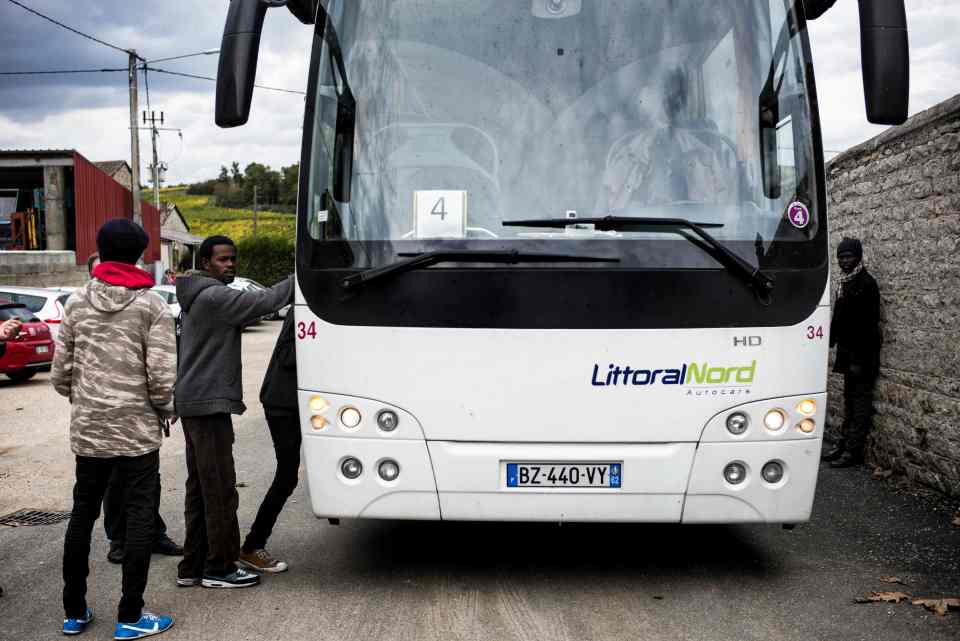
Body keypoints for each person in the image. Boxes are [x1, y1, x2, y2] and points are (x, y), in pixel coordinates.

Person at [52, 219, 176, 638]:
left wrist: (86, 399)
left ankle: (74, 612)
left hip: (89, 431)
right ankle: (130, 616)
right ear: (139, 254)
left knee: (82, 514)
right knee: (139, 515)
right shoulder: (152, 305)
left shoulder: (75, 303)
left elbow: (59, 374)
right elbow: (161, 377)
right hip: (137, 432)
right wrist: (164, 408)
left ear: (100, 250)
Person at [174, 236, 293, 589]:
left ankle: (192, 566)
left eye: (233, 259)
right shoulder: (214, 296)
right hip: (208, 405)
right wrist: (302, 273)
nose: (230, 265)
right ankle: (220, 567)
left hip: (197, 402)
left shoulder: (198, 294)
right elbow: (266, 301)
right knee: (221, 489)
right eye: (223, 260)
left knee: (200, 488)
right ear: (206, 262)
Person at [85, 253, 184, 565]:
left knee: (147, 479)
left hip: (143, 411)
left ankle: (153, 533)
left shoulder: (142, 307)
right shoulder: (88, 312)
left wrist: (166, 402)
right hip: (107, 416)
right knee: (114, 482)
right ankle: (119, 539)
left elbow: (161, 357)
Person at [238, 310, 300, 573]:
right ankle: (252, 546)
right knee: (287, 476)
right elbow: (288, 356)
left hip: (296, 403)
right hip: (283, 404)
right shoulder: (306, 310)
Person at [821, 237, 882, 468]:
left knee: (860, 405)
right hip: (848, 354)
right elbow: (839, 316)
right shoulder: (844, 283)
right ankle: (844, 444)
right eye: (841, 257)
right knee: (849, 401)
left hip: (862, 356)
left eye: (849, 256)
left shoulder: (866, 284)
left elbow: (869, 324)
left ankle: (853, 451)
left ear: (858, 257)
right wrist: (830, 340)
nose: (845, 261)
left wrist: (857, 357)